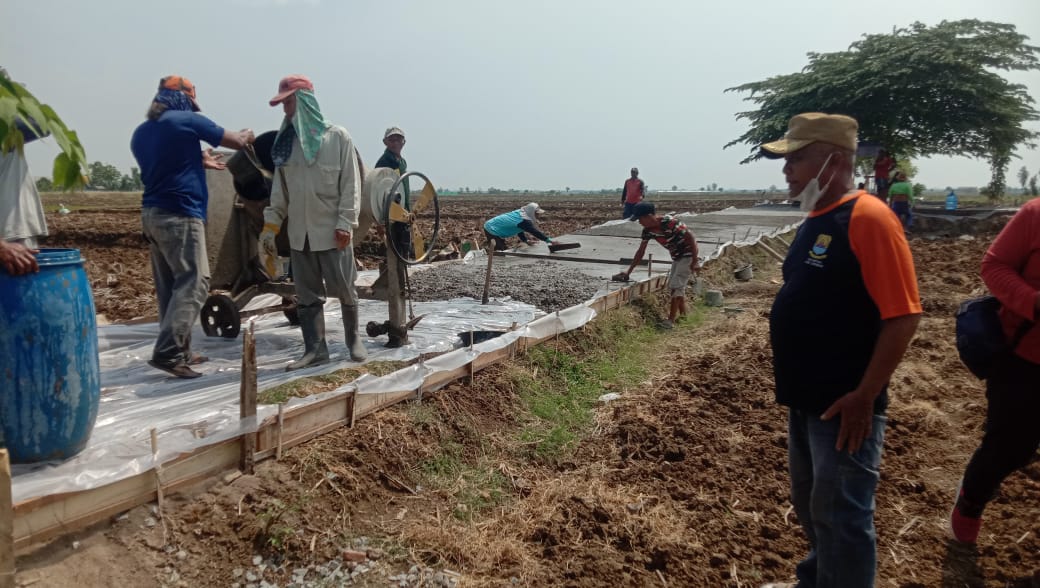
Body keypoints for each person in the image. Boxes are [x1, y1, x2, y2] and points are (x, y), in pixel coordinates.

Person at [758, 113, 921, 588]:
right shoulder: (818, 217)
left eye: (797, 158)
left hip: (845, 404)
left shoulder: (868, 218)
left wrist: (865, 395)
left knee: (843, 515)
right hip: (808, 399)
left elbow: (903, 315)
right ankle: (816, 578)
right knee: (814, 504)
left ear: (835, 160)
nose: (786, 170)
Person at [131, 75, 255, 379]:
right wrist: (250, 135)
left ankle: (180, 351)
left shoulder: (142, 132)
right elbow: (236, 142)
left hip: (152, 214)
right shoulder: (185, 121)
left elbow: (166, 165)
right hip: (181, 214)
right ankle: (168, 352)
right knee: (196, 280)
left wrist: (196, 160)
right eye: (190, 102)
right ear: (183, 98)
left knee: (171, 287)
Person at [259, 74, 367, 370]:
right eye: (283, 104)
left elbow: (351, 184)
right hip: (300, 234)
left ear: (305, 102)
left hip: (333, 232)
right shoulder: (286, 145)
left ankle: (353, 340)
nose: (285, 110)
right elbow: (280, 192)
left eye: (289, 102)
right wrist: (271, 226)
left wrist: (346, 222)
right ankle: (315, 350)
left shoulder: (337, 138)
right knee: (306, 295)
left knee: (345, 288)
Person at [950, 198, 1040, 544]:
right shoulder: (1034, 215)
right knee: (1011, 447)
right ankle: (970, 502)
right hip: (1024, 359)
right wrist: (1033, 302)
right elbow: (995, 266)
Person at [616, 201, 700, 330]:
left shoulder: (670, 223)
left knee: (676, 286)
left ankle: (670, 321)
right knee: (675, 285)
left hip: (688, 255)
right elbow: (640, 252)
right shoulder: (648, 231)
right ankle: (683, 315)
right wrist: (628, 272)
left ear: (649, 216)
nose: (639, 222)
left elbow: (691, 238)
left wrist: (695, 261)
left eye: (640, 219)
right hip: (677, 257)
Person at [0, 106, 48, 276]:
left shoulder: (9, 127)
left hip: (14, 237)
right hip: (7, 245)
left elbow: (41, 124)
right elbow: (41, 123)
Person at [483, 203, 552, 251]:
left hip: (495, 227)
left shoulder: (522, 213)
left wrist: (525, 241)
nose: (538, 216)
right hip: (491, 228)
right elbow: (535, 232)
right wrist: (548, 240)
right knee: (499, 251)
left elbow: (519, 229)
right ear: (531, 212)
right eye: (536, 214)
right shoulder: (524, 221)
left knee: (503, 248)